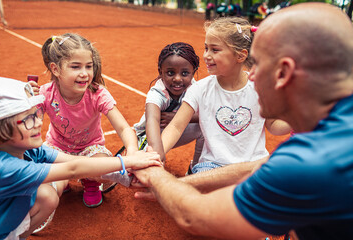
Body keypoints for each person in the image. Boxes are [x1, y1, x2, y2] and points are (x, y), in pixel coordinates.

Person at [131, 3, 353, 239]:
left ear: (283, 72)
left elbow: (194, 215)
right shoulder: (327, 139)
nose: (253, 74)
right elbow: (259, 167)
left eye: (258, 63)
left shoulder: (307, 163)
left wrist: (158, 177)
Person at [0, 76, 161, 240]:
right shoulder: (5, 169)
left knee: (47, 195)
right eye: (28, 119)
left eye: (36, 114)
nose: (38, 122)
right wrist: (130, 162)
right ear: (0, 136)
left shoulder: (27, 149)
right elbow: (73, 169)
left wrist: (125, 178)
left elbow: (72, 161)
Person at [160, 17, 290, 175]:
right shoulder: (199, 89)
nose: (206, 55)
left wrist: (301, 121)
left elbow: (273, 125)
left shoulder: (260, 88)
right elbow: (175, 126)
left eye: (215, 50)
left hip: (253, 165)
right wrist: (157, 155)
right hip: (212, 166)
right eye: (206, 48)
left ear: (240, 56)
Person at [29, 33, 139, 208]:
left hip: (90, 149)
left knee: (102, 164)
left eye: (89, 66)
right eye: (75, 66)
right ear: (55, 69)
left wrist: (132, 151)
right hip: (57, 149)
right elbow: (28, 125)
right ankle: (61, 181)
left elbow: (124, 128)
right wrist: (29, 101)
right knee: (51, 184)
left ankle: (91, 182)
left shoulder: (98, 93)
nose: (84, 74)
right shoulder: (45, 94)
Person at [133, 42, 204, 170]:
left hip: (176, 132)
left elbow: (207, 114)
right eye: (170, 73)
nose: (177, 79)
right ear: (160, 72)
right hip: (149, 136)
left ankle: (197, 168)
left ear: (193, 72)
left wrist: (177, 118)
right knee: (137, 169)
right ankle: (138, 151)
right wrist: (157, 156)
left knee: (206, 126)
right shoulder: (156, 93)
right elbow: (152, 120)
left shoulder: (195, 88)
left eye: (184, 73)